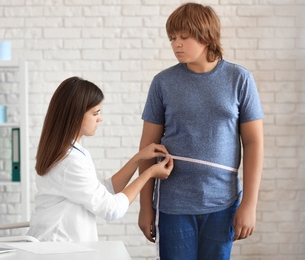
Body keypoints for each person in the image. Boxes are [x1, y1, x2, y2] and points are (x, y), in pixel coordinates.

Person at [138, 2, 264, 260]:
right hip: (173, 207)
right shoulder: (163, 83)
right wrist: (145, 207)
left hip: (223, 204)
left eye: (184, 37)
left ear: (206, 35)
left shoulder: (239, 80)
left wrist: (249, 204)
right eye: (172, 38)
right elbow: (147, 149)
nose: (176, 44)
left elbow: (253, 143)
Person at [27, 76, 173, 242]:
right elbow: (111, 209)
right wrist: (149, 173)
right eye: (95, 113)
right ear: (75, 115)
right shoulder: (69, 162)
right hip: (58, 248)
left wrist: (138, 159)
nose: (100, 118)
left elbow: (106, 190)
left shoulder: (70, 151)